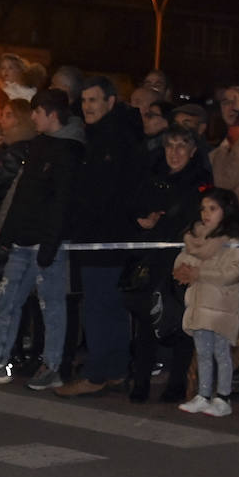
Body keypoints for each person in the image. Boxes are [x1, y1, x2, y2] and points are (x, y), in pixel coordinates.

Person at [0, 88, 85, 390]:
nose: (32, 117)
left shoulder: (70, 152)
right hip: (22, 242)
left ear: (52, 114)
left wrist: (50, 244)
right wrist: (7, 231)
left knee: (52, 305)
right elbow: (22, 194)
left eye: (37, 111)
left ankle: (53, 365)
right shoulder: (39, 146)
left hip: (48, 245)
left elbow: (62, 203)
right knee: (7, 299)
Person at [55, 77, 146, 398]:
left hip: (102, 236)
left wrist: (79, 222)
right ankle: (115, 369)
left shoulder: (113, 139)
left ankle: (97, 373)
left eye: (94, 100)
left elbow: (103, 192)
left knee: (97, 306)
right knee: (109, 306)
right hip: (105, 235)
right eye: (84, 101)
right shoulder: (103, 136)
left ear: (110, 102)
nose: (87, 106)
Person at [125, 127, 208, 403]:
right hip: (151, 260)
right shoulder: (151, 177)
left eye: (181, 146)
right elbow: (132, 209)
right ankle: (141, 383)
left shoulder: (201, 183)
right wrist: (141, 221)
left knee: (182, 324)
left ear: (193, 151)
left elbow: (204, 223)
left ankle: (176, 384)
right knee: (147, 322)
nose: (174, 153)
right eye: (169, 146)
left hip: (183, 260)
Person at [173, 188, 239, 417]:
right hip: (199, 305)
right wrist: (183, 269)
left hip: (221, 308)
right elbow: (182, 260)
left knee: (221, 353)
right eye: (203, 208)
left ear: (226, 211)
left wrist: (200, 273)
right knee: (202, 352)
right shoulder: (196, 238)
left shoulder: (233, 241)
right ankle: (203, 395)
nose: (206, 213)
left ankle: (223, 397)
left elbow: (235, 272)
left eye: (212, 209)